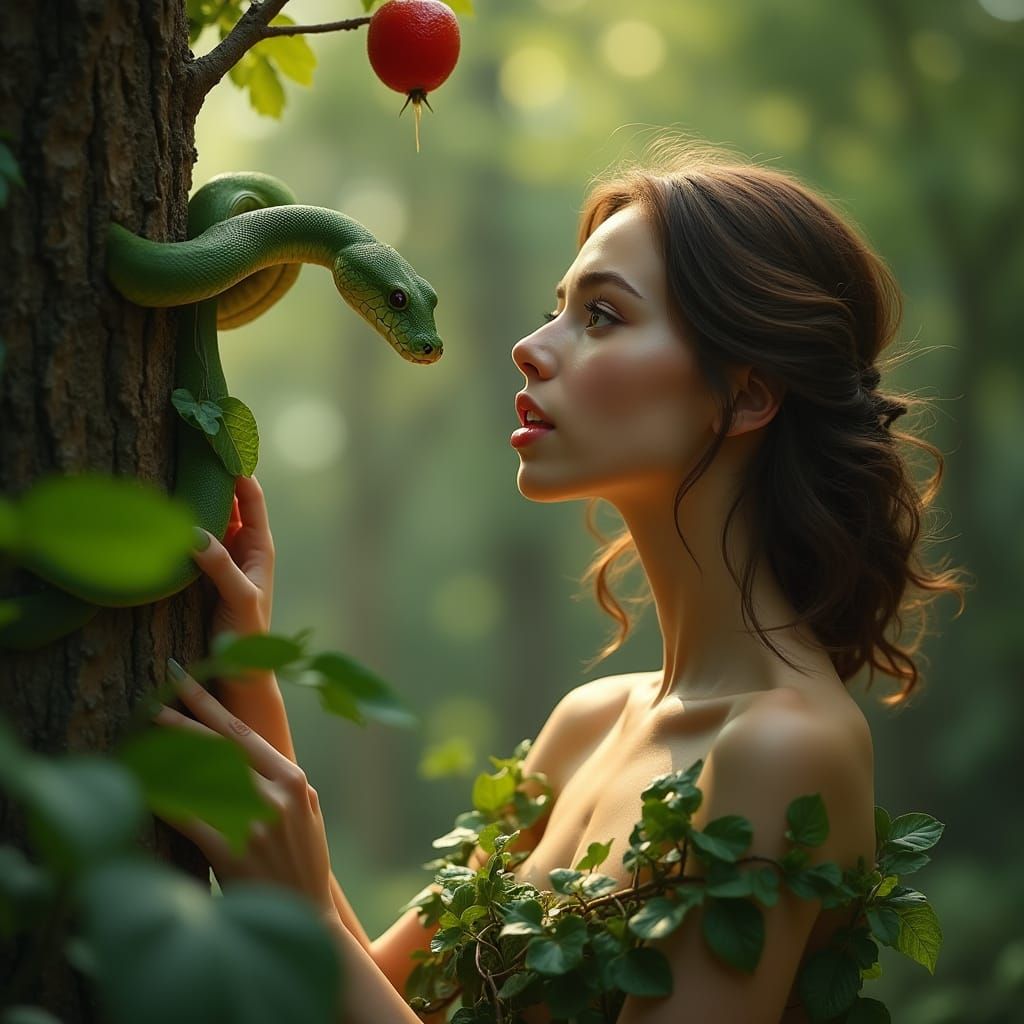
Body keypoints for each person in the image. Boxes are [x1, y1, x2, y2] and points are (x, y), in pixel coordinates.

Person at [151, 141, 967, 1023]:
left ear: (746, 395)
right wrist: (253, 687)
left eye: (603, 317)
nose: (529, 349)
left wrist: (302, 914)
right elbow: (393, 1001)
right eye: (557, 309)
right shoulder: (587, 725)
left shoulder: (783, 749)